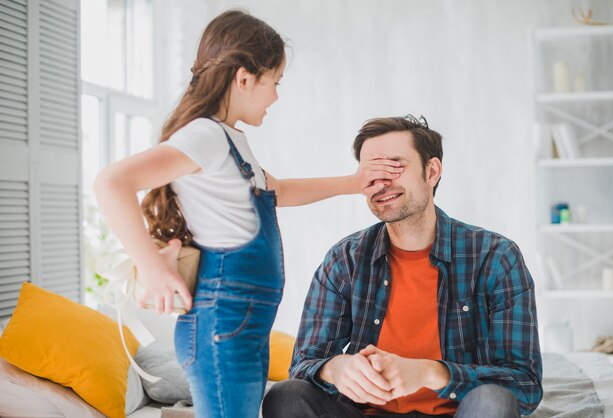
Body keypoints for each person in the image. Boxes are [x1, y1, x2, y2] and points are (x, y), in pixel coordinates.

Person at [93, 10, 401, 418]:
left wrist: (352, 182)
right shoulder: (205, 135)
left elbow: (281, 191)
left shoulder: (231, 141)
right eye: (274, 81)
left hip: (245, 325)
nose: (275, 95)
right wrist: (150, 267)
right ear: (244, 78)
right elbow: (111, 182)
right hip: (224, 323)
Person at [263, 115, 543, 418]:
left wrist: (429, 373)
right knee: (285, 396)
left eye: (395, 167)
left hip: (460, 413)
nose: (381, 183)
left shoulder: (496, 257)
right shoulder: (344, 260)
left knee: (493, 402)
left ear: (431, 171)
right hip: (363, 413)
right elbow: (303, 366)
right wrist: (335, 368)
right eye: (370, 173)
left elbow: (524, 386)